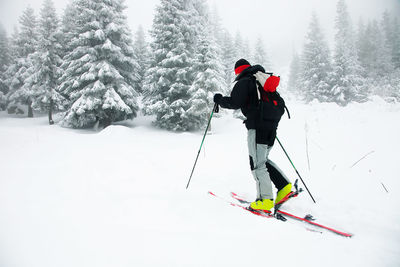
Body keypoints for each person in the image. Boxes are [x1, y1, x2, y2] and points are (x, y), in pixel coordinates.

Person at [213, 59, 292, 212]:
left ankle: (265, 200)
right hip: (271, 127)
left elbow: (235, 102)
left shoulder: (245, 81)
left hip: (257, 127)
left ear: (238, 71)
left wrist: (219, 100)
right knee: (262, 160)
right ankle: (284, 187)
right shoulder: (261, 79)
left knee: (257, 164)